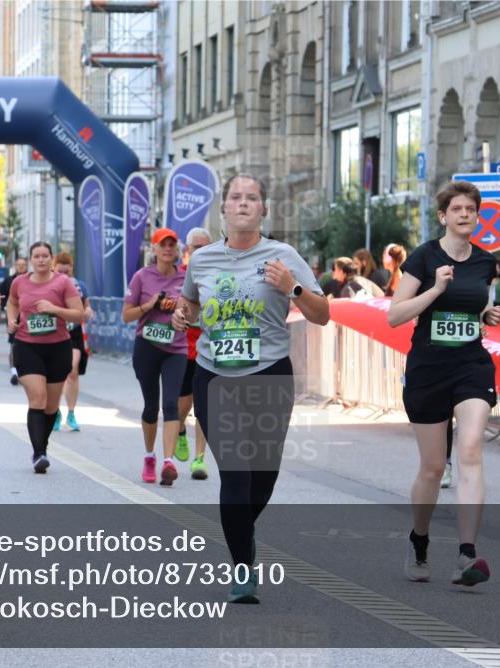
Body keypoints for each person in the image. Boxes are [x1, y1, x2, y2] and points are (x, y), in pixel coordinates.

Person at [174, 174, 329, 603]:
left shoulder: (284, 255)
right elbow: (189, 303)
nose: (243, 204)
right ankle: (243, 566)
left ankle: (243, 528)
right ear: (223, 208)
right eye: (235, 198)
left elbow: (322, 314)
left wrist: (292, 288)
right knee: (236, 475)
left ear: (263, 209)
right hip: (215, 375)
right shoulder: (202, 260)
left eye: (252, 198)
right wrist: (181, 316)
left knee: (264, 477)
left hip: (269, 376)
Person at [386, 180, 500, 588]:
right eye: (457, 209)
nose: (465, 214)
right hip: (428, 369)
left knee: (470, 447)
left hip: (471, 365)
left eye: (471, 208)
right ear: (443, 216)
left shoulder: (487, 262)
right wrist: (436, 289)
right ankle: (419, 539)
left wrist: (488, 315)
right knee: (434, 467)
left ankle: (467, 554)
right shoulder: (424, 257)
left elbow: (478, 304)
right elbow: (394, 315)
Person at [6, 242, 84, 472]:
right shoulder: (19, 282)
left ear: (51, 259)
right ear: (30, 259)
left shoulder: (63, 283)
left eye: (45, 256)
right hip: (27, 346)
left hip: (58, 347)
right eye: (36, 256)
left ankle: (42, 446)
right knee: (37, 399)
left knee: (50, 407)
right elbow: (12, 302)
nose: (41, 260)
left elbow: (78, 315)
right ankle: (39, 454)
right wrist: (12, 319)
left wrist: (55, 309)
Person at [123, 227, 188, 486]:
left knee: (171, 404)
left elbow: (192, 309)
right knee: (151, 406)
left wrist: (181, 313)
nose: (168, 249)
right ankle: (150, 456)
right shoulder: (142, 277)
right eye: (163, 245)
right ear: (155, 249)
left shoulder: (185, 278)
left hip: (176, 348)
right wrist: (150, 306)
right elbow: (126, 315)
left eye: (172, 245)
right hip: (147, 346)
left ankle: (168, 462)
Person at [176, 227, 212, 480]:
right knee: (182, 406)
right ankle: (178, 431)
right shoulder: (178, 276)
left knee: (204, 407)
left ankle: (200, 458)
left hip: (209, 350)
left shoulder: (219, 276)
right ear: (187, 250)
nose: (201, 252)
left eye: (205, 248)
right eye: (196, 248)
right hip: (182, 350)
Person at [53, 252, 92, 431]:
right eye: (60, 272)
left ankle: (71, 413)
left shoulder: (79, 285)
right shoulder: (49, 282)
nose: (64, 276)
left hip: (73, 331)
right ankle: (55, 410)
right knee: (56, 374)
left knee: (72, 371)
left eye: (66, 273)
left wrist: (88, 310)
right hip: (53, 331)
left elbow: (87, 305)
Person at [0, 257, 29, 385]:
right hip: (13, 318)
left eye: (23, 265)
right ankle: (14, 373)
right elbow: (2, 296)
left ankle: (25, 372)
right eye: (19, 265)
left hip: (28, 318)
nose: (21, 267)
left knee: (27, 346)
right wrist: (4, 307)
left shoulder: (31, 279)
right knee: (13, 345)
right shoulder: (8, 281)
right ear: (15, 266)